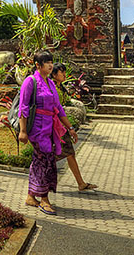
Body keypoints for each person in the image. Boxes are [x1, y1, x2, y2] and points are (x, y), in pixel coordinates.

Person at [18, 51, 77, 215]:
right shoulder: (30, 82)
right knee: (46, 162)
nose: (51, 65)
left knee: (39, 162)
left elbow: (58, 109)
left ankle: (31, 196)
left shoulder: (51, 84)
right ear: (38, 65)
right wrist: (23, 131)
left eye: (51, 62)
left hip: (50, 128)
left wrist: (70, 128)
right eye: (46, 63)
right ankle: (44, 199)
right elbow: (23, 108)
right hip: (36, 129)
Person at [50, 63, 97, 192]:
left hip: (60, 125)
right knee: (54, 155)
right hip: (53, 126)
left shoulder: (60, 87)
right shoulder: (51, 87)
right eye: (61, 73)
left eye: (64, 72)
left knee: (69, 153)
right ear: (54, 74)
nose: (64, 75)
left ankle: (80, 183)